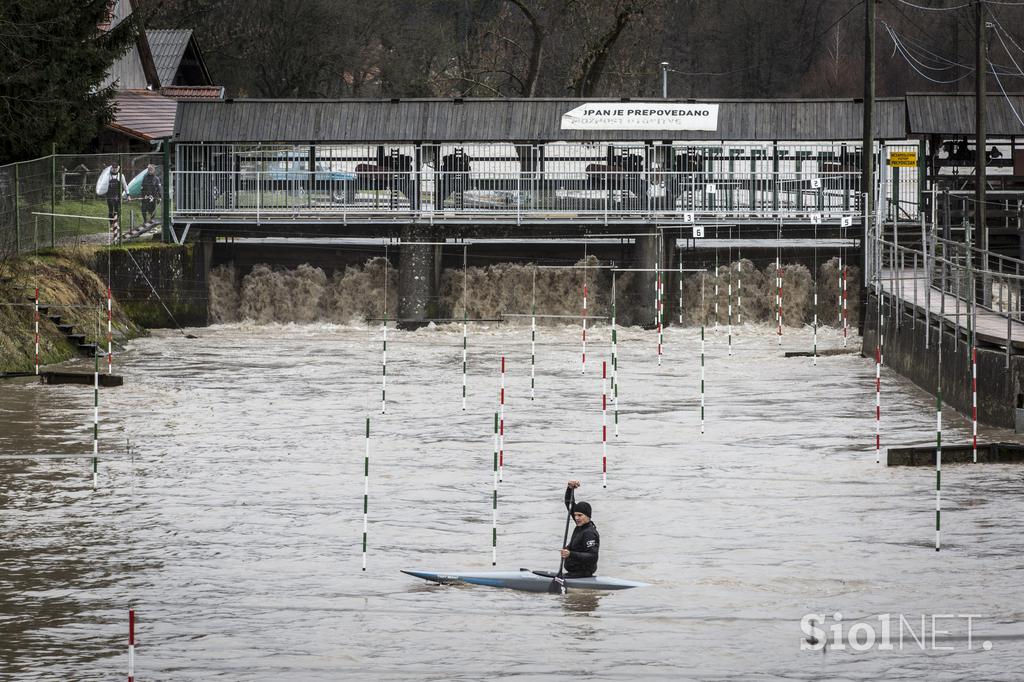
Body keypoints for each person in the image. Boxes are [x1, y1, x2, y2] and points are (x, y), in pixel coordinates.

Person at [559, 479, 600, 578]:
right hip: (574, 572)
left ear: (588, 516)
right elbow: (569, 502)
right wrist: (570, 488)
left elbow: (593, 557)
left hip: (582, 573)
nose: (576, 518)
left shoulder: (590, 533)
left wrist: (570, 554)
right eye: (575, 515)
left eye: (580, 515)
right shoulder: (580, 524)